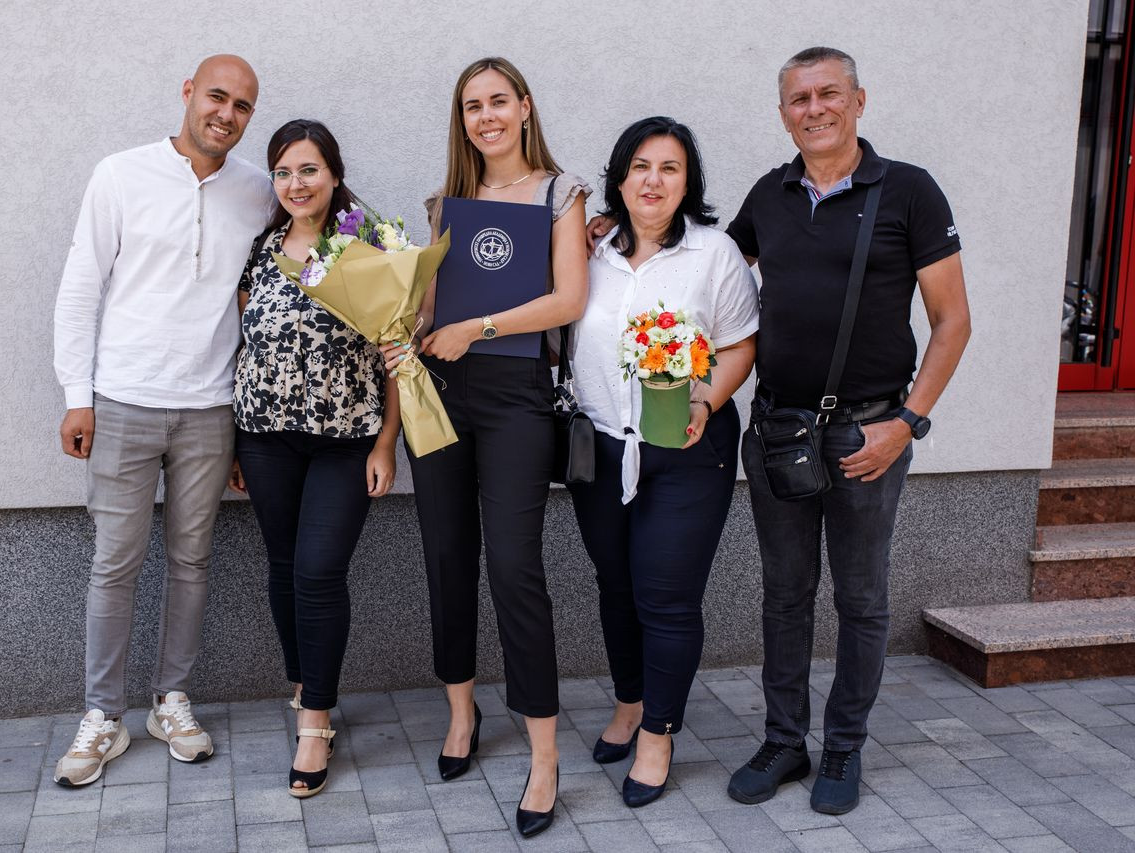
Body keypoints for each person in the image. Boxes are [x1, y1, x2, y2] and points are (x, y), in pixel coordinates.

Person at [721, 47, 971, 814]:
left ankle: (845, 746)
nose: (815, 109)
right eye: (799, 99)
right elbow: (708, 269)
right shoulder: (769, 195)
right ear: (783, 113)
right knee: (784, 595)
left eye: (829, 93)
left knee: (860, 598)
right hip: (776, 432)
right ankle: (784, 741)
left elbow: (952, 321)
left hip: (869, 437)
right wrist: (614, 230)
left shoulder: (909, 192)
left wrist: (907, 422)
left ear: (859, 101)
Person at [51, 55, 275, 787]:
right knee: (114, 563)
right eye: (217, 96)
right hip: (122, 400)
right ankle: (102, 715)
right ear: (188, 93)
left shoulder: (258, 191)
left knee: (191, 560)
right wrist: (77, 393)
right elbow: (81, 285)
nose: (227, 114)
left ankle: (171, 701)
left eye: (242, 106)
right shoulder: (121, 174)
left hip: (211, 407)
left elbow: (296, 266)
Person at [380, 56, 589, 838]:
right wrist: (397, 330)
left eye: (499, 101)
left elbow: (570, 298)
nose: (487, 116)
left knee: (514, 565)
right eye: (473, 105)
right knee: (446, 555)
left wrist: (480, 327)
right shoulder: (448, 203)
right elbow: (430, 308)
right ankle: (461, 712)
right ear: (461, 119)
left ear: (525, 107)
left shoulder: (560, 194)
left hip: (517, 397)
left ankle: (544, 753)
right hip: (441, 389)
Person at [568, 117, 758, 808]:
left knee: (666, 598)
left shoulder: (714, 253)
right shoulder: (589, 250)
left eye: (669, 168)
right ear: (620, 178)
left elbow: (740, 343)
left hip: (686, 448)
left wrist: (706, 397)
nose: (653, 180)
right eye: (641, 166)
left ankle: (658, 733)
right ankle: (630, 702)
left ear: (688, 182)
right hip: (602, 447)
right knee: (615, 586)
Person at [230, 119, 400, 798]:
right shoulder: (262, 248)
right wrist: (234, 439)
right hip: (264, 436)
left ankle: (316, 723)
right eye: (283, 172)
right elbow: (243, 340)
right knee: (283, 566)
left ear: (333, 174)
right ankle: (305, 685)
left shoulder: (369, 243)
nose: (295, 184)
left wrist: (386, 442)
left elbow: (396, 349)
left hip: (346, 438)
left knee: (319, 569)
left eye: (308, 169)